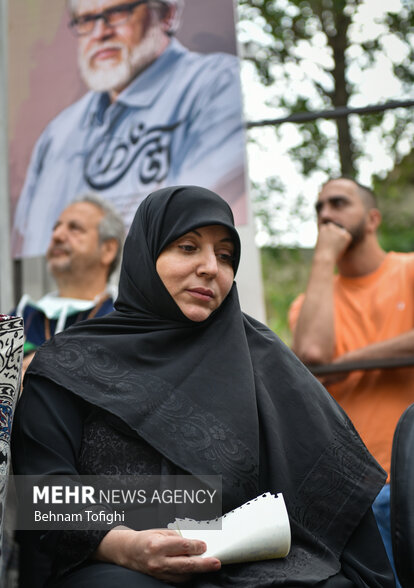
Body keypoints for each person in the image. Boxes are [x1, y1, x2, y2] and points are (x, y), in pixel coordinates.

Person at [12, 185, 395, 587]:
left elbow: (333, 493)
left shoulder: (261, 359)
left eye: (225, 255)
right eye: (188, 247)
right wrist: (126, 545)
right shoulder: (70, 363)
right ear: (146, 255)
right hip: (116, 563)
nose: (211, 267)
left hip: (256, 565)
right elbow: (45, 493)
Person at [11, 0, 246, 258]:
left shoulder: (215, 85)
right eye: (86, 19)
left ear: (167, 14)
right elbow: (30, 242)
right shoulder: (57, 135)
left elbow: (195, 219)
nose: (100, 32)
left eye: (118, 12)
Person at [289, 176, 414, 584]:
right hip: (354, 492)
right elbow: (311, 353)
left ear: (373, 218)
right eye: (319, 208)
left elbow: (331, 363)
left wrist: (353, 360)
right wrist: (324, 260)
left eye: (339, 203)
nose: (326, 215)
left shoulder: (409, 270)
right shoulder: (310, 303)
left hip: (410, 476)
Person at [13, 194, 125, 377]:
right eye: (56, 227)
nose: (57, 236)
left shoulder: (124, 322)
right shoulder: (20, 317)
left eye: (75, 228)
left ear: (108, 250)